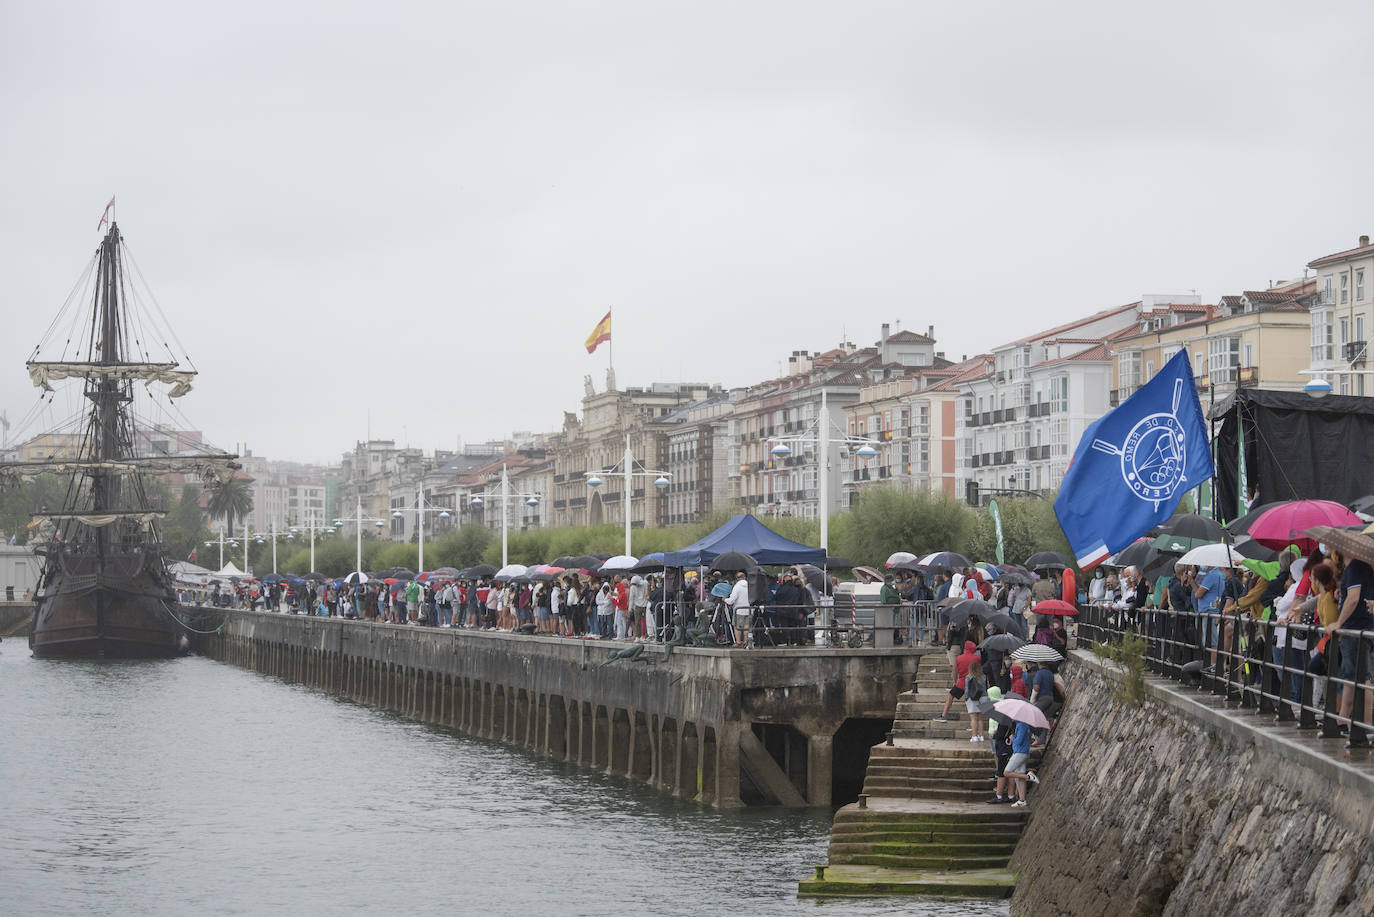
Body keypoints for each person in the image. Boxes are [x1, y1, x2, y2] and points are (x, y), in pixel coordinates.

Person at [1329, 549, 1374, 729]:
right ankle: (1344, 719)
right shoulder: (1357, 566)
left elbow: (1354, 599)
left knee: (1363, 676)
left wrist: (1338, 622)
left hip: (1357, 627)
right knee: (1352, 675)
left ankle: (1365, 724)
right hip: (1358, 627)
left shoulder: (1355, 566)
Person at [936, 640, 980, 723]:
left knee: (951, 696)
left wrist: (955, 681)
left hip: (961, 683)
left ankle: (943, 715)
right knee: (972, 703)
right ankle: (973, 723)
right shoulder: (976, 659)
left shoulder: (959, 658)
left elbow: (955, 671)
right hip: (972, 684)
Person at [1001, 719, 1039, 807]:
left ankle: (1029, 776)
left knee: (1006, 772)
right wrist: (1011, 740)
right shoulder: (1020, 724)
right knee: (1019, 777)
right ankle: (1022, 800)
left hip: (1020, 753)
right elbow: (1018, 741)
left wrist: (1012, 738)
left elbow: (1019, 741)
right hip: (1020, 752)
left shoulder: (1022, 725)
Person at [726, 572, 751, 646]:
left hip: (739, 610)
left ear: (737, 578)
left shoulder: (737, 587)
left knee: (737, 626)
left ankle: (738, 642)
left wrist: (725, 599)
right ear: (745, 577)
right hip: (749, 609)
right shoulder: (750, 585)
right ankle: (746, 642)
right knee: (747, 626)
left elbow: (731, 600)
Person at [964, 661, 987, 742]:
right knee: (980, 718)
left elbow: (967, 690)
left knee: (973, 718)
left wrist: (966, 698)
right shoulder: (983, 676)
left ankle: (974, 736)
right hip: (983, 697)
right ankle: (981, 736)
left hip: (973, 698)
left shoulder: (968, 677)